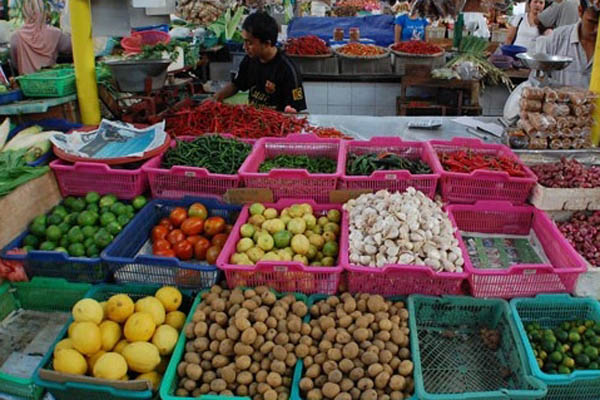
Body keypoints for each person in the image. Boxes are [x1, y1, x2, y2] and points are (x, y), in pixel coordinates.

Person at [213, 12, 307, 113]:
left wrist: (291, 111)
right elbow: (236, 85)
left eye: (250, 43)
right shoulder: (249, 59)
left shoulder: (288, 70)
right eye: (244, 41)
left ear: (267, 43)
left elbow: (295, 108)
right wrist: (215, 98)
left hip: (276, 123)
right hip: (254, 120)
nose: (244, 47)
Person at [534, 0, 598, 87]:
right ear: (580, 11)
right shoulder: (557, 38)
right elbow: (537, 78)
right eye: (592, 22)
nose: (597, 29)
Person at [10, 0, 71, 76]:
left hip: (27, 84)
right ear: (43, 11)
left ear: (24, 12)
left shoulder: (16, 37)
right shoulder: (55, 33)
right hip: (51, 81)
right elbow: (72, 47)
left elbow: (15, 64)